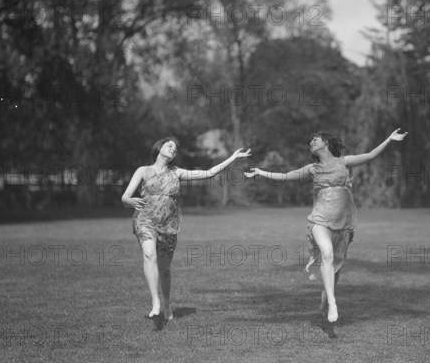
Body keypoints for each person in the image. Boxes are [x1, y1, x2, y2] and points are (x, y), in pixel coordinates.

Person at [245, 128, 407, 323]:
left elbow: (370, 155)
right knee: (327, 254)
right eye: (310, 142)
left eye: (314, 139)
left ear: (325, 143)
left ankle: (327, 294)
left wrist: (389, 138)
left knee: (336, 264)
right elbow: (286, 176)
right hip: (320, 220)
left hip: (343, 221)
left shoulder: (344, 162)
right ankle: (332, 301)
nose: (311, 142)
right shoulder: (312, 169)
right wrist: (260, 172)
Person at [121, 137, 251, 320]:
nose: (174, 148)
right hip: (145, 219)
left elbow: (209, 173)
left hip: (168, 224)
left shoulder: (177, 172)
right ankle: (155, 301)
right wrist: (129, 201)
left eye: (175, 148)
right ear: (159, 148)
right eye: (170, 145)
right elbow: (125, 197)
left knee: (165, 269)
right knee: (149, 253)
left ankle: (166, 301)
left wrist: (232, 158)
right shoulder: (143, 171)